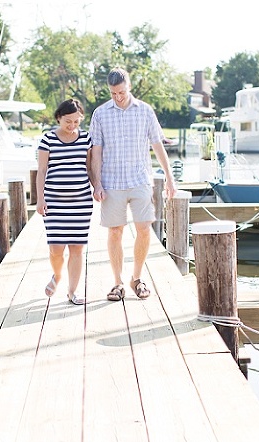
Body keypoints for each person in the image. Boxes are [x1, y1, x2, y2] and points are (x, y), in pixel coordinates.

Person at [89, 67, 177, 301]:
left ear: (129, 86)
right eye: (113, 93)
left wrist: (169, 177)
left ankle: (136, 278)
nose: (118, 97)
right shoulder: (100, 114)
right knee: (115, 231)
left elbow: (158, 145)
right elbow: (95, 152)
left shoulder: (145, 111)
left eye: (121, 92)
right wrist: (96, 183)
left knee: (144, 229)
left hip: (140, 179)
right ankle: (117, 283)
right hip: (111, 182)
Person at [36, 98, 93, 305]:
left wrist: (98, 188)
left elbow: (89, 168)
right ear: (59, 118)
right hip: (54, 202)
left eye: (77, 122)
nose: (72, 126)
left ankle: (72, 291)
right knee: (56, 249)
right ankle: (57, 275)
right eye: (68, 121)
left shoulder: (87, 139)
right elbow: (42, 171)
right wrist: (40, 199)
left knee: (77, 247)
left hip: (81, 203)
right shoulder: (47, 139)